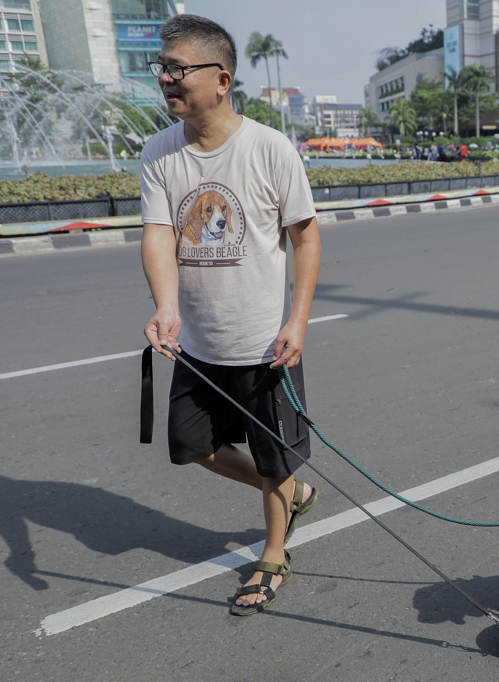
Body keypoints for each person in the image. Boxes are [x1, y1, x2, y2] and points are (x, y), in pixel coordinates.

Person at [140, 14, 321, 617]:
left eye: (177, 69)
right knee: (193, 445)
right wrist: (166, 307)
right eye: (162, 68)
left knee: (272, 456)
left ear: (221, 79)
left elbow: (306, 237)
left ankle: (273, 553)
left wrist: (297, 322)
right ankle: (293, 492)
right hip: (197, 344)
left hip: (264, 345)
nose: (165, 79)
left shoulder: (269, 148)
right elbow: (160, 234)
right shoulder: (159, 152)